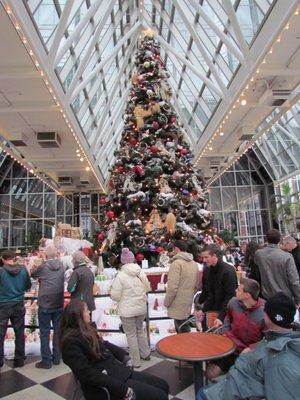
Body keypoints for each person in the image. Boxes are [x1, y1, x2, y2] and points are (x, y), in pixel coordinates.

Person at [197, 292, 300, 400]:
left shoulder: (281, 361)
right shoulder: (276, 338)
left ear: (269, 317)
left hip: (235, 391)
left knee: (201, 393)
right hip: (235, 382)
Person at [60, 299, 169, 400]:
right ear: (78, 316)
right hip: (107, 384)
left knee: (163, 385)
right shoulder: (70, 342)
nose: (89, 312)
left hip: (118, 371)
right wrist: (122, 389)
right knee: (160, 396)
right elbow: (87, 374)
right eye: (86, 310)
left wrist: (123, 355)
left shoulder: (87, 330)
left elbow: (105, 344)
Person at [206, 278, 265, 380]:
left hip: (250, 353)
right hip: (230, 347)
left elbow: (269, 339)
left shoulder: (264, 312)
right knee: (211, 373)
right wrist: (226, 333)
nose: (235, 291)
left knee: (236, 378)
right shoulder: (233, 302)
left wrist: (252, 348)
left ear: (247, 295)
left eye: (238, 289)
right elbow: (228, 319)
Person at [110, 248, 151, 368]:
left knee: (131, 334)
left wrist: (112, 293)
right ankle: (146, 353)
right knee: (140, 330)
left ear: (122, 261)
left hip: (127, 310)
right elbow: (148, 288)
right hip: (141, 307)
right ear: (133, 259)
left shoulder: (120, 276)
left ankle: (136, 361)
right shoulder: (140, 272)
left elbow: (116, 296)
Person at [31, 245, 64, 368]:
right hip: (58, 301)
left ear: (45, 255)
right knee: (57, 330)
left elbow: (33, 274)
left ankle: (46, 360)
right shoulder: (61, 265)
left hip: (45, 302)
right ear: (56, 255)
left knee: (44, 332)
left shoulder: (43, 267)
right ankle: (56, 357)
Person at [0, 250, 31, 368]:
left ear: (3, 259)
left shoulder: (1, 272)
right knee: (19, 332)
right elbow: (28, 286)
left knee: (1, 334)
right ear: (14, 258)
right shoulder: (23, 270)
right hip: (18, 303)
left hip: (3, 305)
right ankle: (19, 359)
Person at [194, 244, 238, 328]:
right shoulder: (208, 270)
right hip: (212, 310)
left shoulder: (228, 271)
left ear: (214, 255)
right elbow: (209, 293)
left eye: (206, 257)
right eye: (203, 258)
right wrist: (202, 310)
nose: (204, 260)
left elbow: (230, 297)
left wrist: (221, 317)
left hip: (225, 313)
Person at [254, 229, 300, 306]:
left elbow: (256, 262)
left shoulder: (259, 254)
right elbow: (294, 281)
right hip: (285, 297)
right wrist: (298, 299)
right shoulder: (287, 256)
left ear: (266, 239)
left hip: (268, 297)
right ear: (279, 240)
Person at [164, 240, 199, 333]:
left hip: (177, 302)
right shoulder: (194, 263)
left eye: (174, 249)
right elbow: (196, 285)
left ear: (177, 249)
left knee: (180, 330)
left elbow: (172, 287)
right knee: (184, 327)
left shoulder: (176, 264)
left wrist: (166, 302)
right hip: (187, 301)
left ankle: (184, 347)